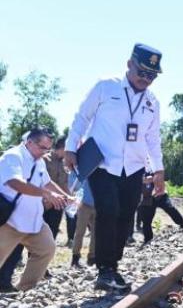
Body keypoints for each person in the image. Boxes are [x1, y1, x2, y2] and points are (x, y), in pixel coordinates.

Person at [65, 43, 165, 291]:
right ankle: (104, 268)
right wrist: (69, 147)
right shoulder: (105, 86)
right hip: (103, 164)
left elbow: (153, 139)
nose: (145, 79)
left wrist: (159, 171)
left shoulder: (152, 102)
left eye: (151, 75)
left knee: (125, 215)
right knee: (108, 210)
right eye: (142, 72)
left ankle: (113, 265)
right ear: (129, 64)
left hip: (134, 167)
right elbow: (82, 117)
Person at [0, 128, 70, 291]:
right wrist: (46, 193)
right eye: (42, 147)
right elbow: (15, 183)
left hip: (34, 220)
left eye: (48, 149)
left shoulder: (38, 161)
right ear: (29, 142)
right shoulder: (13, 156)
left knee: (46, 250)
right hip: (11, 221)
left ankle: (25, 288)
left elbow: (47, 182)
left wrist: (66, 196)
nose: (45, 152)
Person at [43, 136, 76, 246]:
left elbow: (64, 184)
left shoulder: (64, 163)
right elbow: (41, 181)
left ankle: (45, 256)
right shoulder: (44, 159)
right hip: (43, 202)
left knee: (53, 230)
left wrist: (71, 198)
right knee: (35, 231)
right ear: (63, 148)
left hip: (58, 204)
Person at [138, 172, 183, 243]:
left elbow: (162, 175)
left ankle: (182, 223)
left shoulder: (154, 164)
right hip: (146, 199)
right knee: (146, 221)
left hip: (160, 195)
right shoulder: (136, 167)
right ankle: (148, 239)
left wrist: (153, 178)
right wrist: (143, 180)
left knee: (170, 208)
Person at [69, 172, 96, 267]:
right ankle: (75, 256)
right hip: (84, 205)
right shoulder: (87, 171)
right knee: (80, 231)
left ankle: (92, 257)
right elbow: (75, 185)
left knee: (95, 232)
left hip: (97, 205)